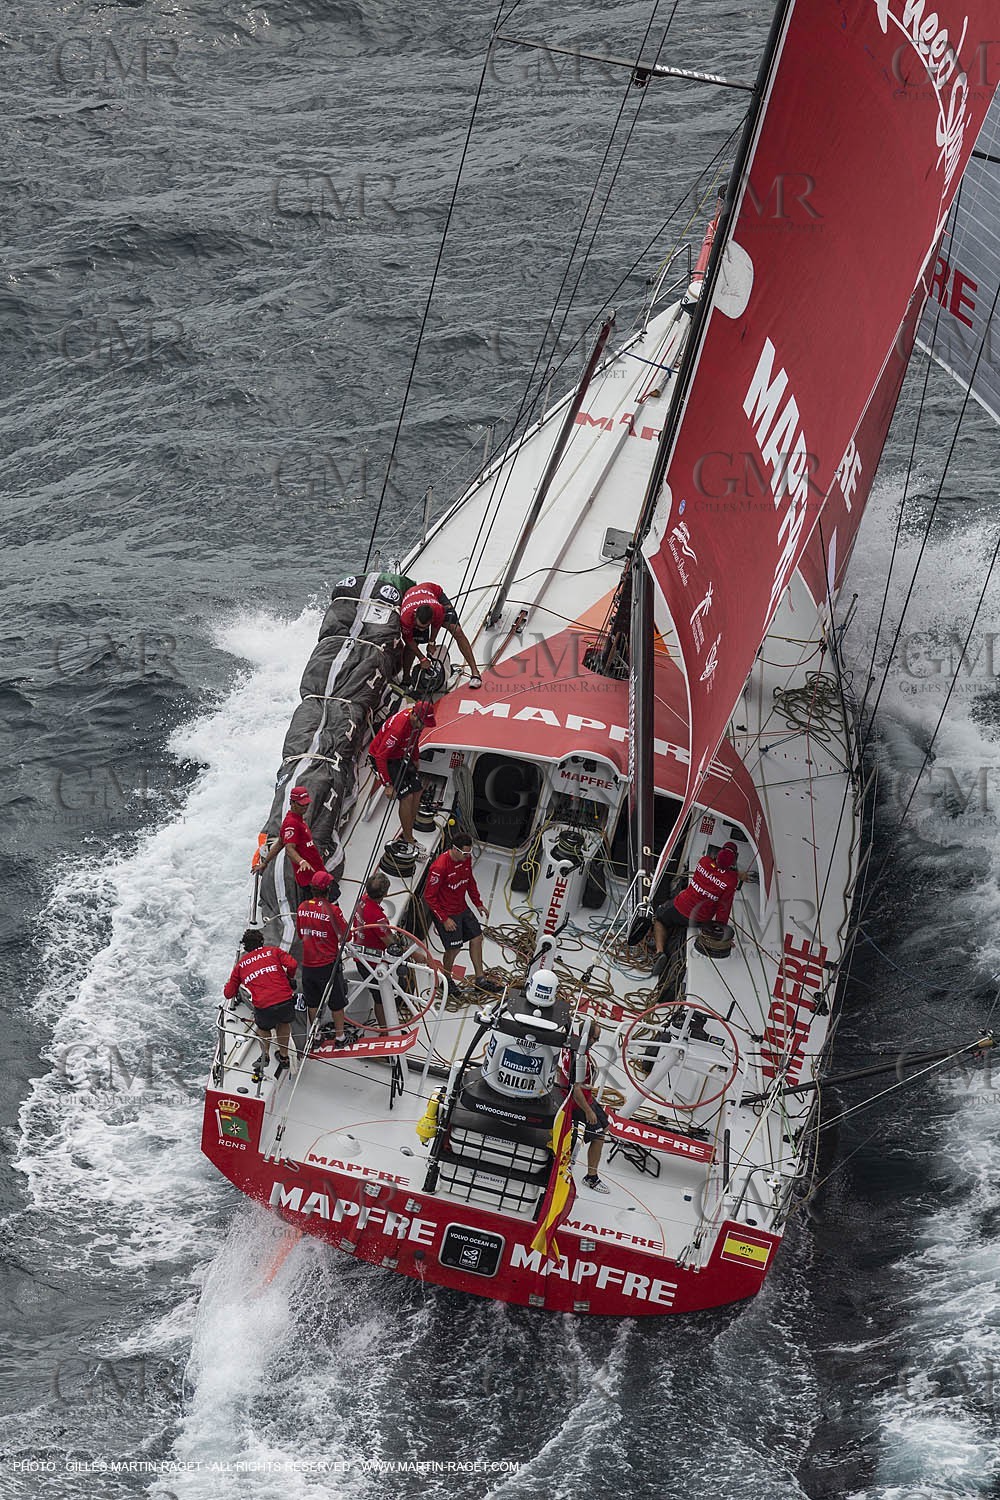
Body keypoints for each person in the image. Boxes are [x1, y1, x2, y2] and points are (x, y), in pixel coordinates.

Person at [423, 832, 501, 993]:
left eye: (469, 853)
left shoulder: (465, 860)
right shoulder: (439, 867)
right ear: (455, 849)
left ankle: (480, 979)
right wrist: (444, 919)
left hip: (461, 907)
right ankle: (447, 980)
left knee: (477, 938)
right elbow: (429, 897)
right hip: (446, 912)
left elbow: (469, 881)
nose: (467, 856)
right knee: (454, 949)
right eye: (465, 853)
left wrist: (478, 903)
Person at [651, 841, 743, 975]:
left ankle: (659, 953)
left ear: (717, 855)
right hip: (700, 919)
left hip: (680, 907)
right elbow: (724, 908)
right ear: (733, 862)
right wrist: (720, 934)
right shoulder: (731, 880)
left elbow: (715, 870)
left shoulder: (704, 861)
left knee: (659, 918)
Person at [224, 929, 298, 1080]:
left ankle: (265, 1055)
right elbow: (293, 964)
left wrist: (231, 984)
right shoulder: (273, 951)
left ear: (245, 947)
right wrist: (289, 977)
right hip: (284, 999)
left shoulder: (240, 966)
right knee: (284, 1023)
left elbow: (228, 994)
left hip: (264, 1006)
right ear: (262, 942)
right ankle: (284, 1057)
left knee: (264, 1027)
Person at [368, 700, 435, 857]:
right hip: (385, 758)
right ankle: (409, 839)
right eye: (423, 723)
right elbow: (380, 757)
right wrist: (388, 785)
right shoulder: (397, 729)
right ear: (414, 716)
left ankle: (407, 830)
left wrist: (416, 758)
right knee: (407, 797)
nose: (424, 726)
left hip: (400, 755)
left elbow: (414, 741)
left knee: (418, 791)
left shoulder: (417, 724)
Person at [296, 871, 350, 1045]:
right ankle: (340, 1037)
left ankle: (316, 1035)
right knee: (337, 1002)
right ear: (328, 889)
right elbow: (346, 936)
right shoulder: (333, 910)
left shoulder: (302, 907)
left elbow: (299, 933)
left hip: (307, 965)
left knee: (312, 1002)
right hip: (328, 965)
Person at [400, 581, 481, 688]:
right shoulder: (406, 617)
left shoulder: (437, 609)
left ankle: (475, 672)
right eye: (418, 626)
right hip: (413, 595)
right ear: (414, 616)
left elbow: (436, 625)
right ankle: (406, 679)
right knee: (412, 645)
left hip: (435, 593)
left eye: (424, 627)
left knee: (457, 631)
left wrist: (431, 642)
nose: (421, 629)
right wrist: (422, 658)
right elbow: (408, 640)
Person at [564, 1018, 610, 1195]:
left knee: (605, 1126)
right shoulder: (579, 1057)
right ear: (587, 1037)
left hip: (587, 1096)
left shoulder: (572, 1043)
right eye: (595, 1038)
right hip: (580, 1103)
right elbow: (576, 1090)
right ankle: (591, 1177)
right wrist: (588, 1111)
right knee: (597, 1136)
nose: (596, 1042)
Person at [257, 785, 325, 890]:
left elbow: (280, 843)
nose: (305, 807)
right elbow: (289, 848)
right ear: (292, 803)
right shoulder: (291, 824)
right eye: (301, 805)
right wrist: (301, 862)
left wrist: (265, 862)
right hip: (310, 877)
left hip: (317, 870)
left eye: (307, 804)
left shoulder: (298, 819)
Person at [349, 871, 393, 1029]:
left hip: (360, 956)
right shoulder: (377, 917)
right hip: (373, 963)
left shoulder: (361, 901)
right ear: (385, 893)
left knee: (379, 995)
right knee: (380, 997)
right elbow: (391, 943)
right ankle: (385, 1031)